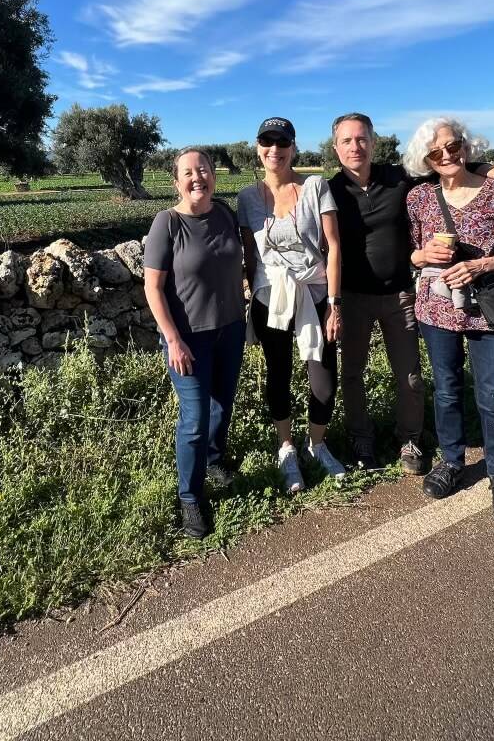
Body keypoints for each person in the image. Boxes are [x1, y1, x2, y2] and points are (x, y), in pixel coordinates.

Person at [328, 113, 494, 475]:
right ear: (335, 147)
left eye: (362, 139)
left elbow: (452, 161)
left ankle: (411, 440)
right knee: (353, 374)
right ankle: (362, 440)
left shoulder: (401, 178)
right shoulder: (327, 191)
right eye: (347, 141)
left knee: (410, 376)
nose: (355, 147)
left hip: (401, 295)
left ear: (374, 142)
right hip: (353, 296)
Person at [404, 117, 494, 526]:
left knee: (493, 393)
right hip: (437, 309)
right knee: (446, 388)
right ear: (425, 159)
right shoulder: (420, 197)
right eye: (435, 152)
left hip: (491, 309)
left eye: (452, 146)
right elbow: (411, 251)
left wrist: (481, 265)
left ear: (465, 145)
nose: (446, 155)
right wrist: (423, 257)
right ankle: (452, 461)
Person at [238, 117, 344, 494]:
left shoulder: (315, 187)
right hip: (271, 300)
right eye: (267, 142)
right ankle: (286, 448)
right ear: (257, 147)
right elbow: (250, 257)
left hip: (314, 296)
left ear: (293, 148)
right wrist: (252, 300)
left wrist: (334, 303)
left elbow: (333, 247)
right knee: (278, 374)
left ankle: (317, 445)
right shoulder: (247, 198)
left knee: (324, 381)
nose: (274, 150)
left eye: (282, 143)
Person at [144, 148, 246, 539]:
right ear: (176, 182)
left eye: (203, 169)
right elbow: (153, 288)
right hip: (187, 338)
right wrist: (172, 339)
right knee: (194, 419)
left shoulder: (224, 213)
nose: (197, 177)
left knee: (223, 403)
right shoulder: (166, 223)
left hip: (230, 329)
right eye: (188, 172)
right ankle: (190, 497)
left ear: (213, 176)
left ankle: (215, 460)